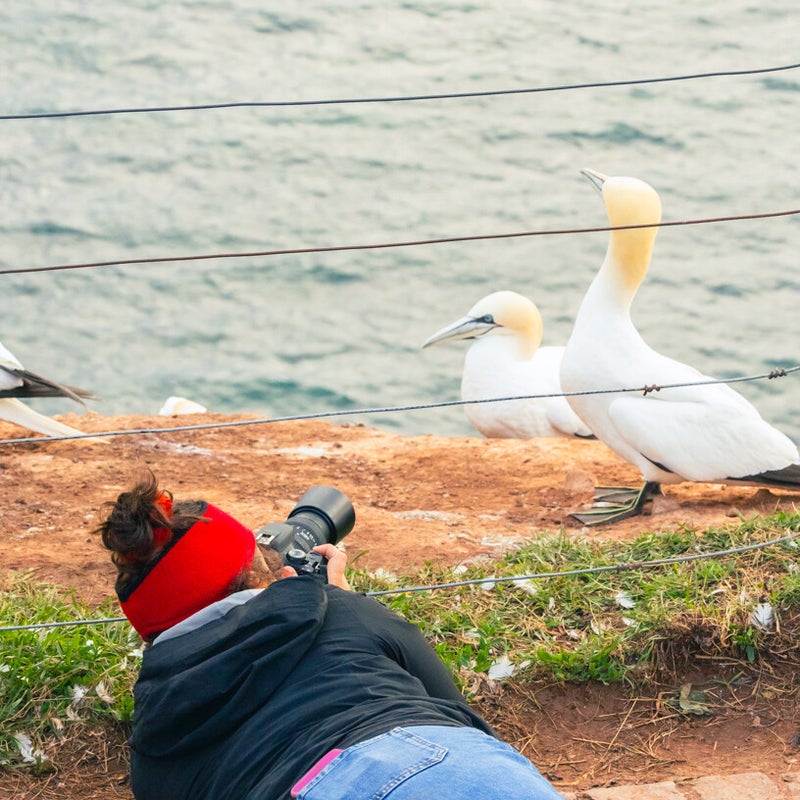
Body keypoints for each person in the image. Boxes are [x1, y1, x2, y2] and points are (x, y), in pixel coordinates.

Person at [97, 472, 564, 800]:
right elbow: (457, 714)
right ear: (261, 573)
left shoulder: (153, 733)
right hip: (454, 770)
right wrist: (339, 606)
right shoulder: (340, 609)